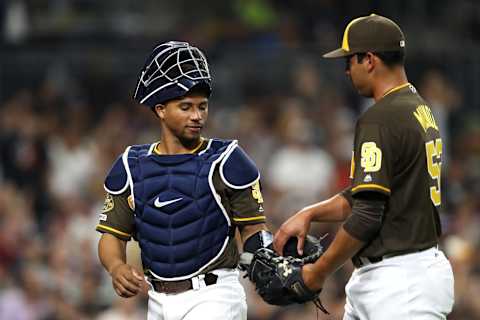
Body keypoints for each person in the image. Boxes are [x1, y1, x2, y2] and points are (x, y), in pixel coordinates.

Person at [274, 14, 454, 319]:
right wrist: (311, 212)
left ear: (369, 60)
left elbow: (368, 215)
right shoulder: (418, 107)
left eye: (350, 60)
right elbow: (369, 194)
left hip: (400, 283)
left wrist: (318, 272)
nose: (346, 70)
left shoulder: (380, 117)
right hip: (404, 273)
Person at [96, 41, 273, 320]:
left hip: (214, 295)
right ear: (161, 109)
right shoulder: (131, 165)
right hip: (157, 300)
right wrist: (116, 267)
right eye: (186, 106)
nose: (197, 116)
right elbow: (111, 235)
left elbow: (254, 230)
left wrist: (266, 263)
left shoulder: (227, 159)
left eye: (202, 107)